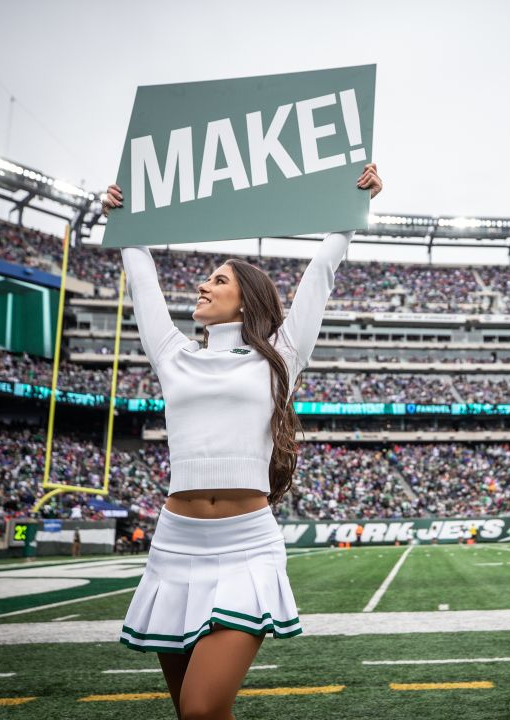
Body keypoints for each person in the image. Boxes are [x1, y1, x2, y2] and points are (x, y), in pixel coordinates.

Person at [104, 163, 382, 720]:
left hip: (245, 546)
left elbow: (321, 273)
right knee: (193, 714)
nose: (203, 285)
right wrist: (121, 219)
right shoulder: (173, 353)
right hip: (174, 543)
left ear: (246, 300)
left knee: (204, 709)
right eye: (206, 278)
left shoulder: (279, 355)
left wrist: (351, 213)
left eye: (219, 280)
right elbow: (142, 280)